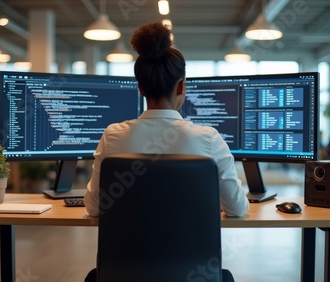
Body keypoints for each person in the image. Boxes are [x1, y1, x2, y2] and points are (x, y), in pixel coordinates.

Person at [83, 21, 248, 282]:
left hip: (121, 276)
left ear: (140, 88)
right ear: (181, 86)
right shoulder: (209, 140)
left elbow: (93, 208)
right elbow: (237, 208)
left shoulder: (113, 136)